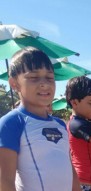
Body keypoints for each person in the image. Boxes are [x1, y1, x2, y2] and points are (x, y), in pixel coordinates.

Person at [0, 46, 81, 191]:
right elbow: (5, 180)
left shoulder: (61, 125)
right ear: (14, 84)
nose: (44, 83)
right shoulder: (12, 123)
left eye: (50, 77)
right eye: (33, 77)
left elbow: (70, 169)